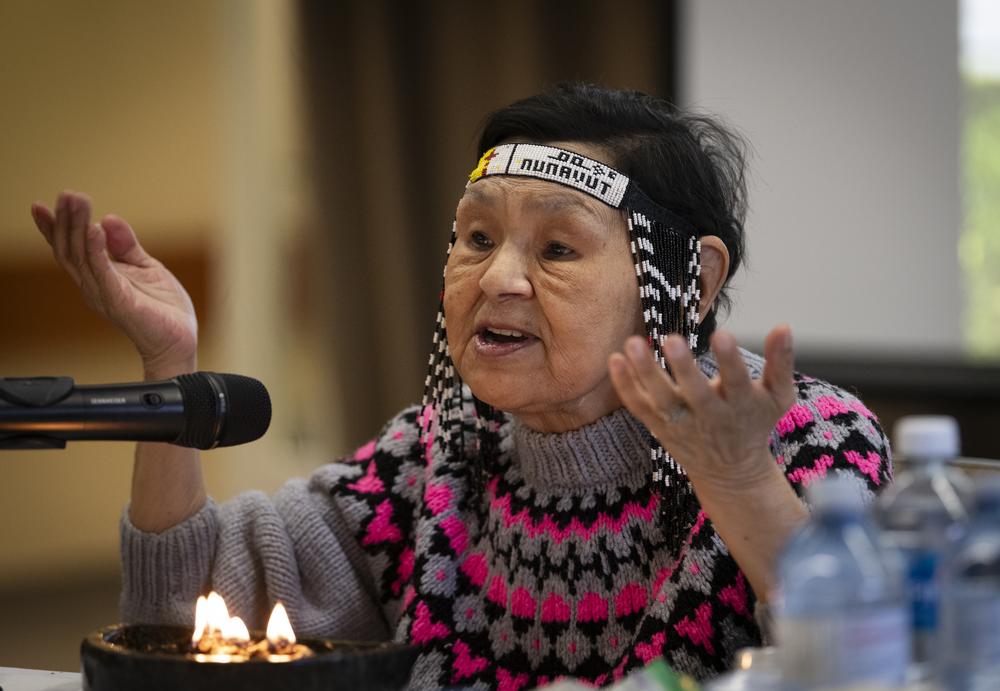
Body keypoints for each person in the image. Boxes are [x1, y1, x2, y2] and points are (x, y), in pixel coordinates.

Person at [31, 84, 890, 687]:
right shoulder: (438, 451)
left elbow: (875, 663)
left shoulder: (809, 437)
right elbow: (180, 623)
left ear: (689, 284)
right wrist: (167, 368)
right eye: (477, 238)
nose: (498, 279)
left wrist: (739, 482)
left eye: (557, 249)